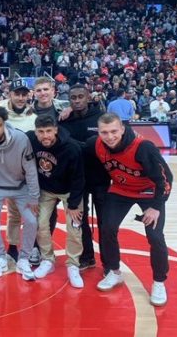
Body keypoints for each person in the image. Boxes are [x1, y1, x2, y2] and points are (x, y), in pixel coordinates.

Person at [89, 113, 172, 307]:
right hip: (121, 190)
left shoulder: (143, 148)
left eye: (114, 131)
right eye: (104, 132)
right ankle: (114, 272)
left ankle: (159, 282)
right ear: (98, 132)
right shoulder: (96, 144)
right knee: (107, 228)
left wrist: (156, 207)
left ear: (123, 129)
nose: (109, 137)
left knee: (155, 237)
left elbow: (166, 179)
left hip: (149, 192)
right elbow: (75, 147)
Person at [0, 105, 39, 281]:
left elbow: (31, 169)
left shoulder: (21, 139)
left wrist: (34, 196)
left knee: (31, 220)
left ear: (4, 123)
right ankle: (0, 256)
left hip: (21, 185)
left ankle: (24, 258)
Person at [26, 115, 85, 288]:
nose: (45, 136)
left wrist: (74, 205)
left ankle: (73, 265)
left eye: (49, 131)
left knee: (74, 228)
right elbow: (9, 134)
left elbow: (79, 178)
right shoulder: (30, 139)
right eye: (41, 132)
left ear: (56, 130)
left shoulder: (72, 148)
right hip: (45, 190)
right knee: (40, 224)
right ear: (35, 131)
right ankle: (47, 260)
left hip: (69, 192)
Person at [0, 79, 37, 263]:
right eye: (17, 94)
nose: (21, 97)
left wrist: (33, 193)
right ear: (10, 94)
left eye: (24, 94)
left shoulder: (33, 116)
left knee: (17, 215)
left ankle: (14, 247)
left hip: (19, 174)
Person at [59, 85, 110, 271]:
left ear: (88, 97)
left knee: (105, 221)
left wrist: (81, 145)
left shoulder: (100, 118)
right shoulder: (64, 120)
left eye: (81, 96)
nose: (77, 100)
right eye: (73, 97)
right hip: (76, 179)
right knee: (80, 220)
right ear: (69, 100)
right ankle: (87, 256)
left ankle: (108, 262)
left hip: (100, 177)